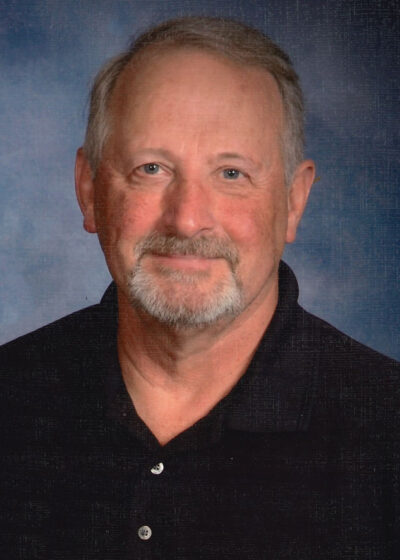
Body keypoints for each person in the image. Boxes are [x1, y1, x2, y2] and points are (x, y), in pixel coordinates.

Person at [1, 16, 399, 560]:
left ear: (294, 201)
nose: (187, 220)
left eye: (231, 174)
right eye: (151, 168)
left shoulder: (385, 432)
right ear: (89, 190)